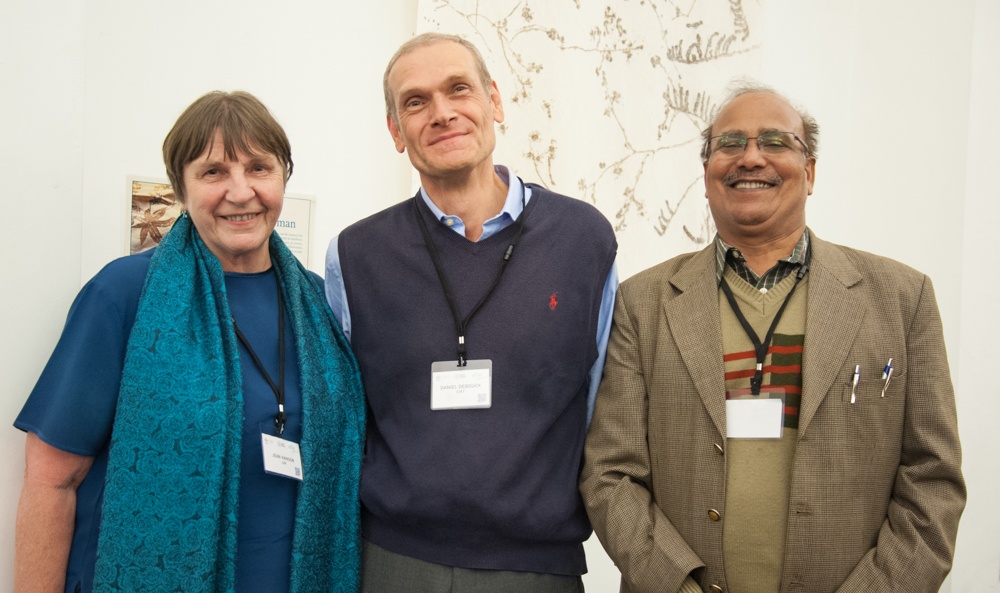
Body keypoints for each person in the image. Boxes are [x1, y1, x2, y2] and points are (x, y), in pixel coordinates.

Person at [580, 83, 966, 593]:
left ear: (809, 173)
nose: (751, 157)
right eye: (731, 143)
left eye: (776, 142)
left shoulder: (901, 298)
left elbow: (932, 478)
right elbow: (611, 474)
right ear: (707, 172)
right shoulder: (642, 302)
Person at [13, 91, 366, 593]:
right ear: (180, 187)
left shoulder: (319, 304)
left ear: (283, 177)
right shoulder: (123, 295)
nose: (240, 192)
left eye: (259, 168)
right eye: (213, 172)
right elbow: (52, 481)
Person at [325, 32, 618, 592]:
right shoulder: (354, 255)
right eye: (415, 101)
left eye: (458, 89)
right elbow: (344, 421)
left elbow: (603, 410)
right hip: (393, 562)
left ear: (495, 101)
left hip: (538, 569)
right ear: (395, 130)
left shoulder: (584, 240)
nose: (441, 113)